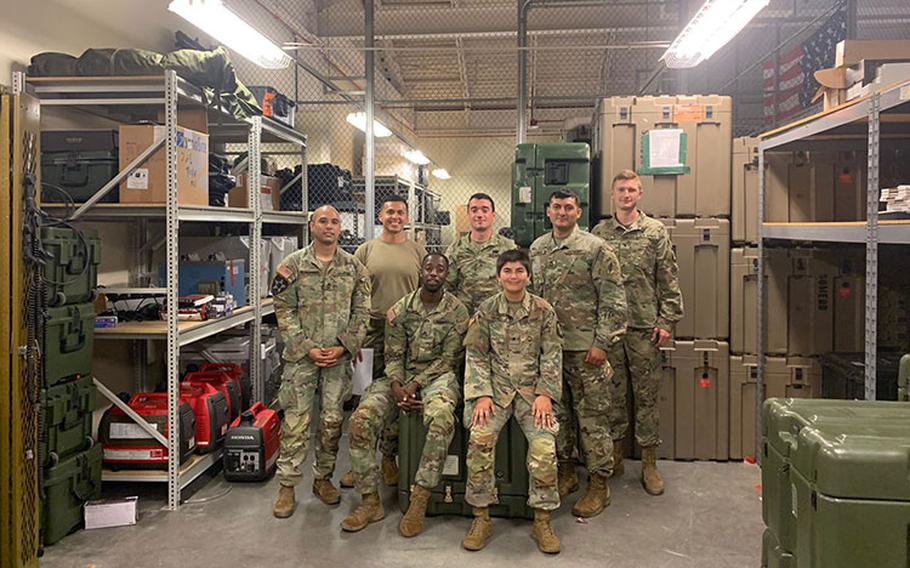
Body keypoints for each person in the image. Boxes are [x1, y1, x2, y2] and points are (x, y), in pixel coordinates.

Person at [340, 253, 468, 536]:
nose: (434, 273)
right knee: (360, 420)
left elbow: (449, 360)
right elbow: (393, 354)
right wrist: (398, 383)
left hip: (438, 379)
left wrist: (415, 384)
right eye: (429, 268)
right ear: (420, 272)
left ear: (447, 275)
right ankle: (370, 501)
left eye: (440, 269)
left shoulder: (458, 311)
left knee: (442, 419)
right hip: (399, 378)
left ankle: (419, 499)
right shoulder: (399, 310)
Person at [529, 189, 627, 518]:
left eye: (568, 207)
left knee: (593, 419)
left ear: (578, 212)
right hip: (551, 351)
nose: (562, 212)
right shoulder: (538, 249)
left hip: (587, 351)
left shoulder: (596, 248)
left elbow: (613, 300)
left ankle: (599, 485)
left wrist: (602, 343)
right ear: (548, 212)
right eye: (556, 207)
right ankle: (567, 473)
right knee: (560, 418)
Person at [271, 205, 371, 518]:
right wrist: (307, 347)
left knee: (331, 423)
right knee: (296, 423)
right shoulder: (292, 266)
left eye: (335, 222)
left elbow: (362, 313)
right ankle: (286, 486)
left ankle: (322, 479)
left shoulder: (354, 268)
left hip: (338, 359)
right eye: (323, 221)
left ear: (341, 228)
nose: (329, 226)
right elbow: (283, 310)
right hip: (303, 359)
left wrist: (344, 347)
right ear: (312, 226)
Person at [462, 249, 563, 554]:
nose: (514, 276)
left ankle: (542, 520)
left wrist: (545, 393)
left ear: (528, 275)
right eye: (507, 271)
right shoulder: (486, 310)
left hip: (533, 394)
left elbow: (552, 354)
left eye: (520, 271)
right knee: (479, 439)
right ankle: (481, 517)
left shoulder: (544, 311)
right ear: (498, 276)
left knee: (544, 447)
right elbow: (476, 354)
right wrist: (481, 394)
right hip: (495, 392)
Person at [591, 170, 683, 496]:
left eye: (631, 189)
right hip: (611, 328)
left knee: (646, 397)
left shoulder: (654, 232)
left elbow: (668, 279)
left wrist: (667, 321)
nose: (626, 194)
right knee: (612, 396)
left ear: (639, 194)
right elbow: (594, 281)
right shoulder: (600, 233)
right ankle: (615, 455)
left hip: (645, 327)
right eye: (621, 190)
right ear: (612, 194)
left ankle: (648, 463)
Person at [343, 195, 428, 488]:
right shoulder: (366, 250)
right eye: (390, 212)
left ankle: (389, 458)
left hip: (404, 332)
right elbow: (352, 291)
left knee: (395, 392)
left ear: (407, 217)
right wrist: (352, 337)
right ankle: (359, 463)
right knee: (362, 394)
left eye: (400, 212)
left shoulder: (417, 251)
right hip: (370, 330)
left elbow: (423, 293)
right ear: (381, 216)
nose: (395, 216)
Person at [445, 193, 517, 315]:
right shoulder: (455, 249)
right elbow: (447, 286)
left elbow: (517, 283)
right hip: (464, 317)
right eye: (474, 210)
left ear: (493, 215)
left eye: (485, 210)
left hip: (498, 317)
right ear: (468, 215)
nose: (479, 215)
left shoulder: (508, 248)